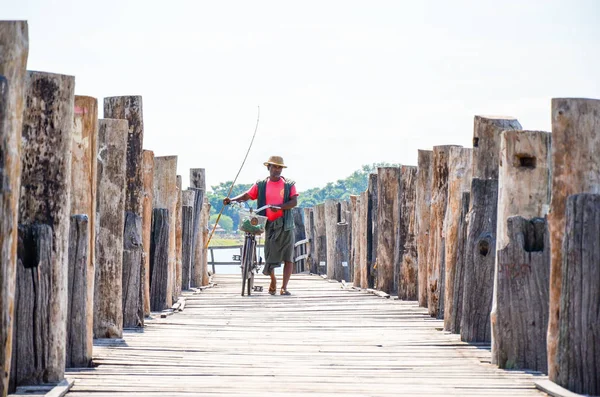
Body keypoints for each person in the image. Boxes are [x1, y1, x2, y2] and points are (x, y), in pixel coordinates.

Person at [223, 155, 298, 295]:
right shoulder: (261, 184)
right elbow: (247, 195)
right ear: (268, 167)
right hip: (269, 225)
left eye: (279, 167)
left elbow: (294, 202)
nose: (277, 169)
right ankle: (273, 279)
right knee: (269, 255)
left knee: (288, 257)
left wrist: (280, 207)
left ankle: (284, 287)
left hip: (286, 225)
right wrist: (232, 199)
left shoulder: (289, 185)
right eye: (274, 166)